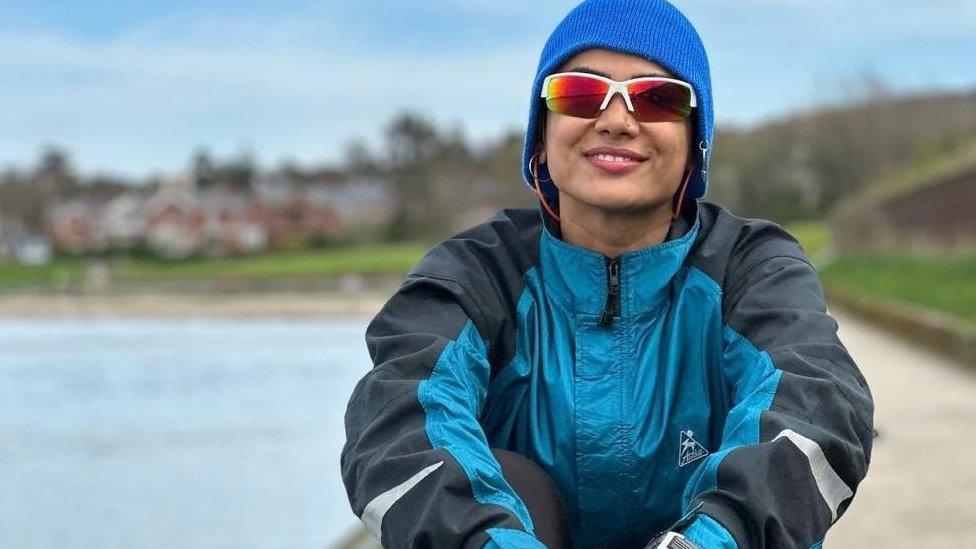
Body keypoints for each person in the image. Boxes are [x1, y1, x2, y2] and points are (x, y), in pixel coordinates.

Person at [340, 1, 874, 547]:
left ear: (695, 143)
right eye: (579, 93)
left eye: (658, 98)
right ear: (541, 140)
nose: (617, 120)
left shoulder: (752, 267)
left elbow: (818, 408)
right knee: (513, 478)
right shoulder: (473, 275)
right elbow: (397, 426)